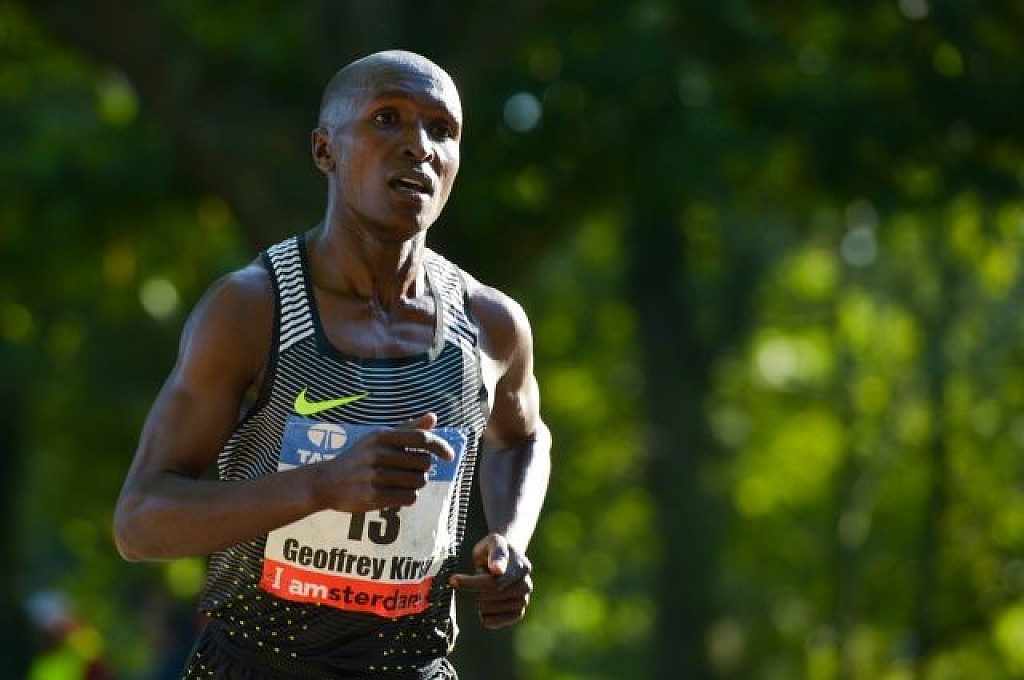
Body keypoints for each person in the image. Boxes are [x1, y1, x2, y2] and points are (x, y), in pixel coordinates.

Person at [113, 49, 551, 680]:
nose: (419, 146)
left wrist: (509, 537)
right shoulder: (252, 309)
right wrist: (320, 486)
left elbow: (524, 437)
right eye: (387, 118)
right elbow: (139, 522)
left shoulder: (490, 324)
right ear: (325, 149)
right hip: (256, 664)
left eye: (442, 129)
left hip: (413, 667)